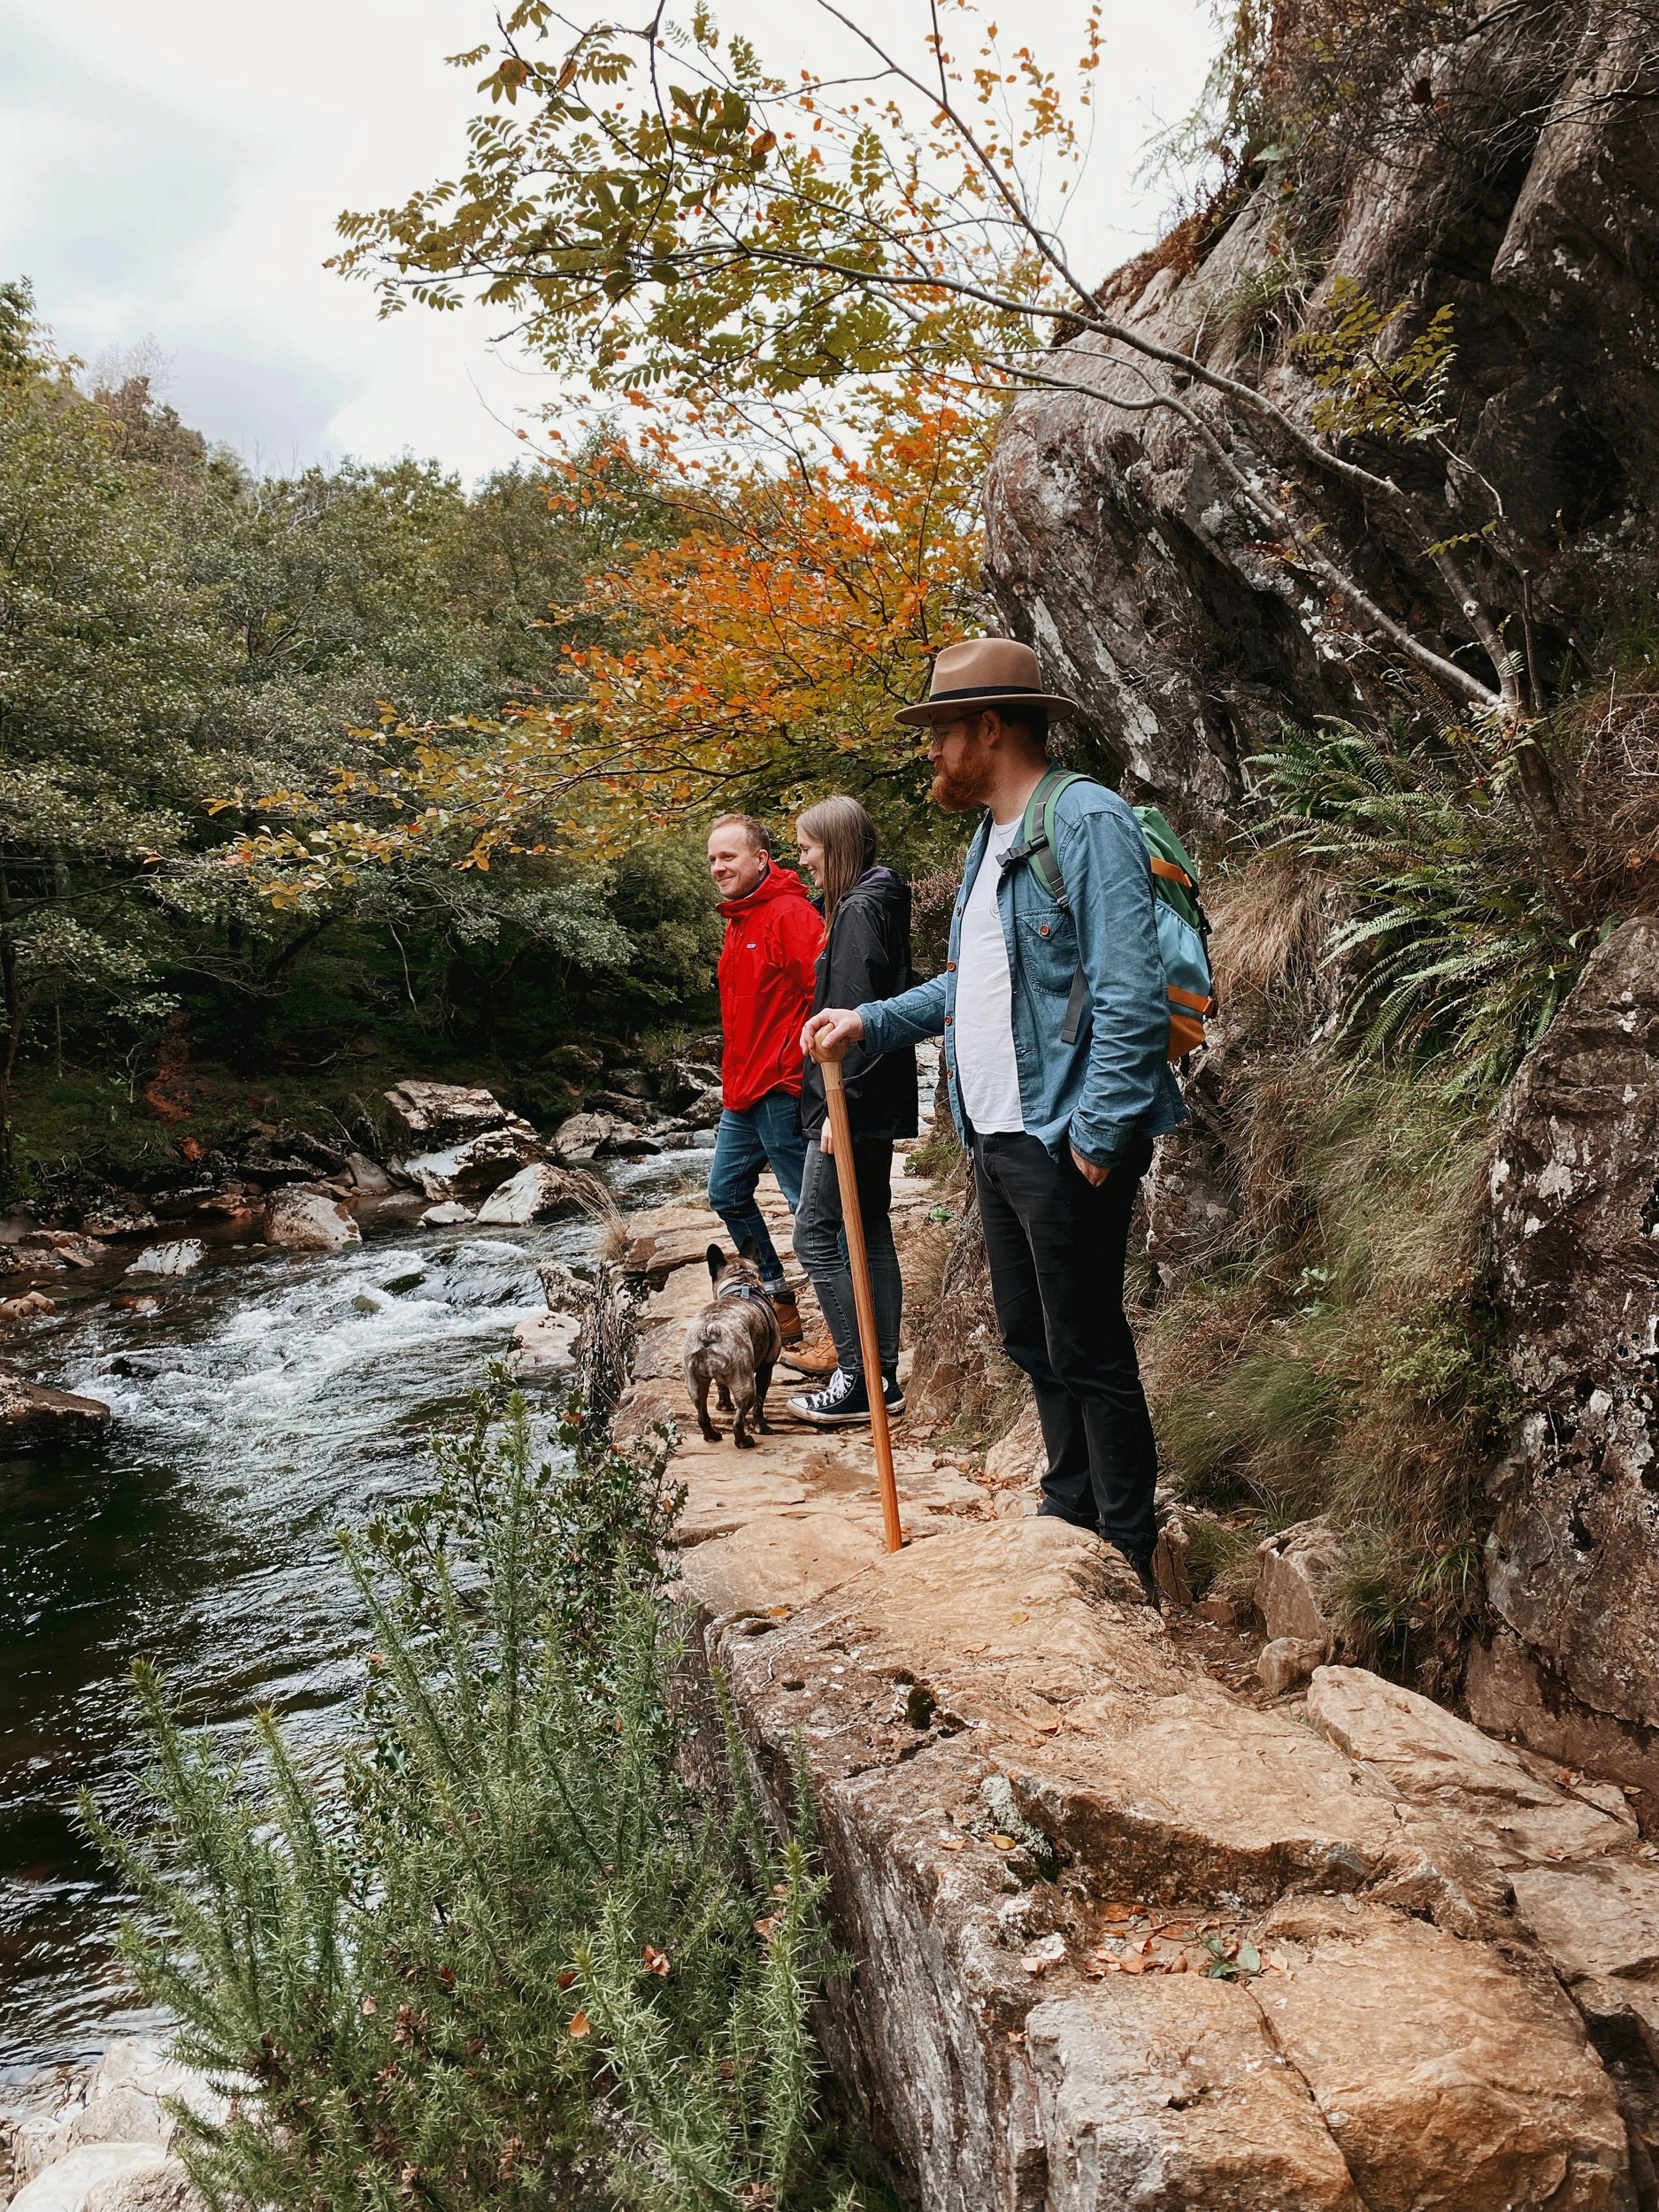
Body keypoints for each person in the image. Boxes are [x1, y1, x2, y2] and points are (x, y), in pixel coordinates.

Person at [803, 639, 1187, 1599]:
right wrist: (870, 1020)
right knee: (1028, 1329)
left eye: (940, 733)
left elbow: (1130, 991)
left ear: (989, 728)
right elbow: (974, 985)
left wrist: (1099, 1136)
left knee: (1089, 1344)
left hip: (1065, 1136)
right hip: (1001, 1134)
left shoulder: (1083, 818)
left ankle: (1128, 1550)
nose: (929, 752)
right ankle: (1071, 1504)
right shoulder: (987, 839)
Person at [785, 795, 918, 1425]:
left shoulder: (860, 910)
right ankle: (879, 1376)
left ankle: (859, 1375)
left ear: (833, 846)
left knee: (815, 1233)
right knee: (869, 1228)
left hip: (850, 1097)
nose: (802, 858)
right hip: (864, 1096)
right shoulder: (868, 903)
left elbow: (858, 1013)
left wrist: (841, 1109)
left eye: (808, 847)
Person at [706, 811, 821, 1341]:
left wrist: (801, 1067)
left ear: (760, 858)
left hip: (780, 1086)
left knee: (807, 1211)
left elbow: (823, 995)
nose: (718, 867)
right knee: (726, 1192)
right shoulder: (738, 920)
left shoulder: (790, 913)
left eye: (728, 856)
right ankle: (776, 1296)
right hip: (741, 1091)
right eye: (712, 859)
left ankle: (846, 1340)